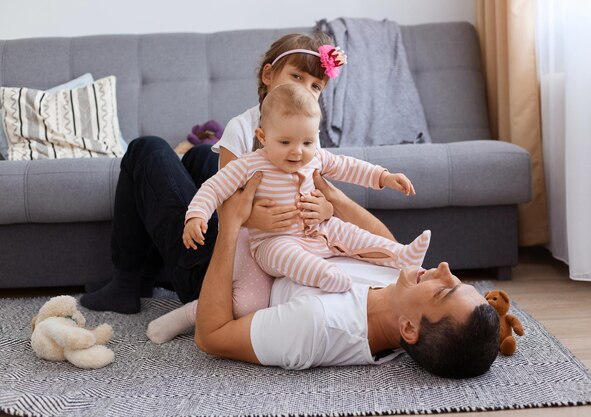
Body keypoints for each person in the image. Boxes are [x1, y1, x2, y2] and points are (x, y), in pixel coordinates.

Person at [79, 32, 395, 314]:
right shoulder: (244, 129)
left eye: (316, 86)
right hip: (244, 247)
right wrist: (253, 217)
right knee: (202, 155)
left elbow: (318, 194)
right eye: (296, 77)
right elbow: (226, 198)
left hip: (235, 271)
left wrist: (326, 208)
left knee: (146, 148)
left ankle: (129, 282)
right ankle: (140, 278)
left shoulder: (304, 141)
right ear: (268, 75)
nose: (307, 91)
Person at [188, 172, 500, 378]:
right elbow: (382, 243)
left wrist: (231, 223)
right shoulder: (402, 292)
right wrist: (330, 194)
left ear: (408, 329)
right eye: (456, 280)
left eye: (443, 291)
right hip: (276, 233)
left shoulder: (317, 325)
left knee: (153, 154)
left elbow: (210, 337)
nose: (444, 269)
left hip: (223, 264)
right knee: (212, 161)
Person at [183, 83, 429, 293]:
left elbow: (350, 167)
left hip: (320, 229)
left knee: (354, 236)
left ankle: (401, 255)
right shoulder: (251, 164)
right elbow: (214, 187)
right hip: (274, 240)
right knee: (286, 255)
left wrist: (384, 177)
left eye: (307, 142)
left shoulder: (317, 158)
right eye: (285, 142)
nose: (297, 151)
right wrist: (196, 215)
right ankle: (325, 275)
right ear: (263, 136)